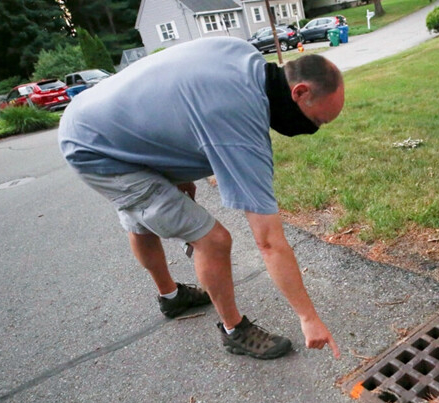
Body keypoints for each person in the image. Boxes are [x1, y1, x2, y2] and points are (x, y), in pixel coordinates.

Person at [58, 36, 343, 360]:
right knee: (213, 240)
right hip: (95, 150)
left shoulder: (242, 54)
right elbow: (268, 242)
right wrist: (309, 317)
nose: (315, 129)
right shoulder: (241, 125)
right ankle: (235, 330)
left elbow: (185, 101)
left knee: (140, 216)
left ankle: (172, 297)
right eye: (318, 120)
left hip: (98, 119)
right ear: (300, 92)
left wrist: (174, 174)